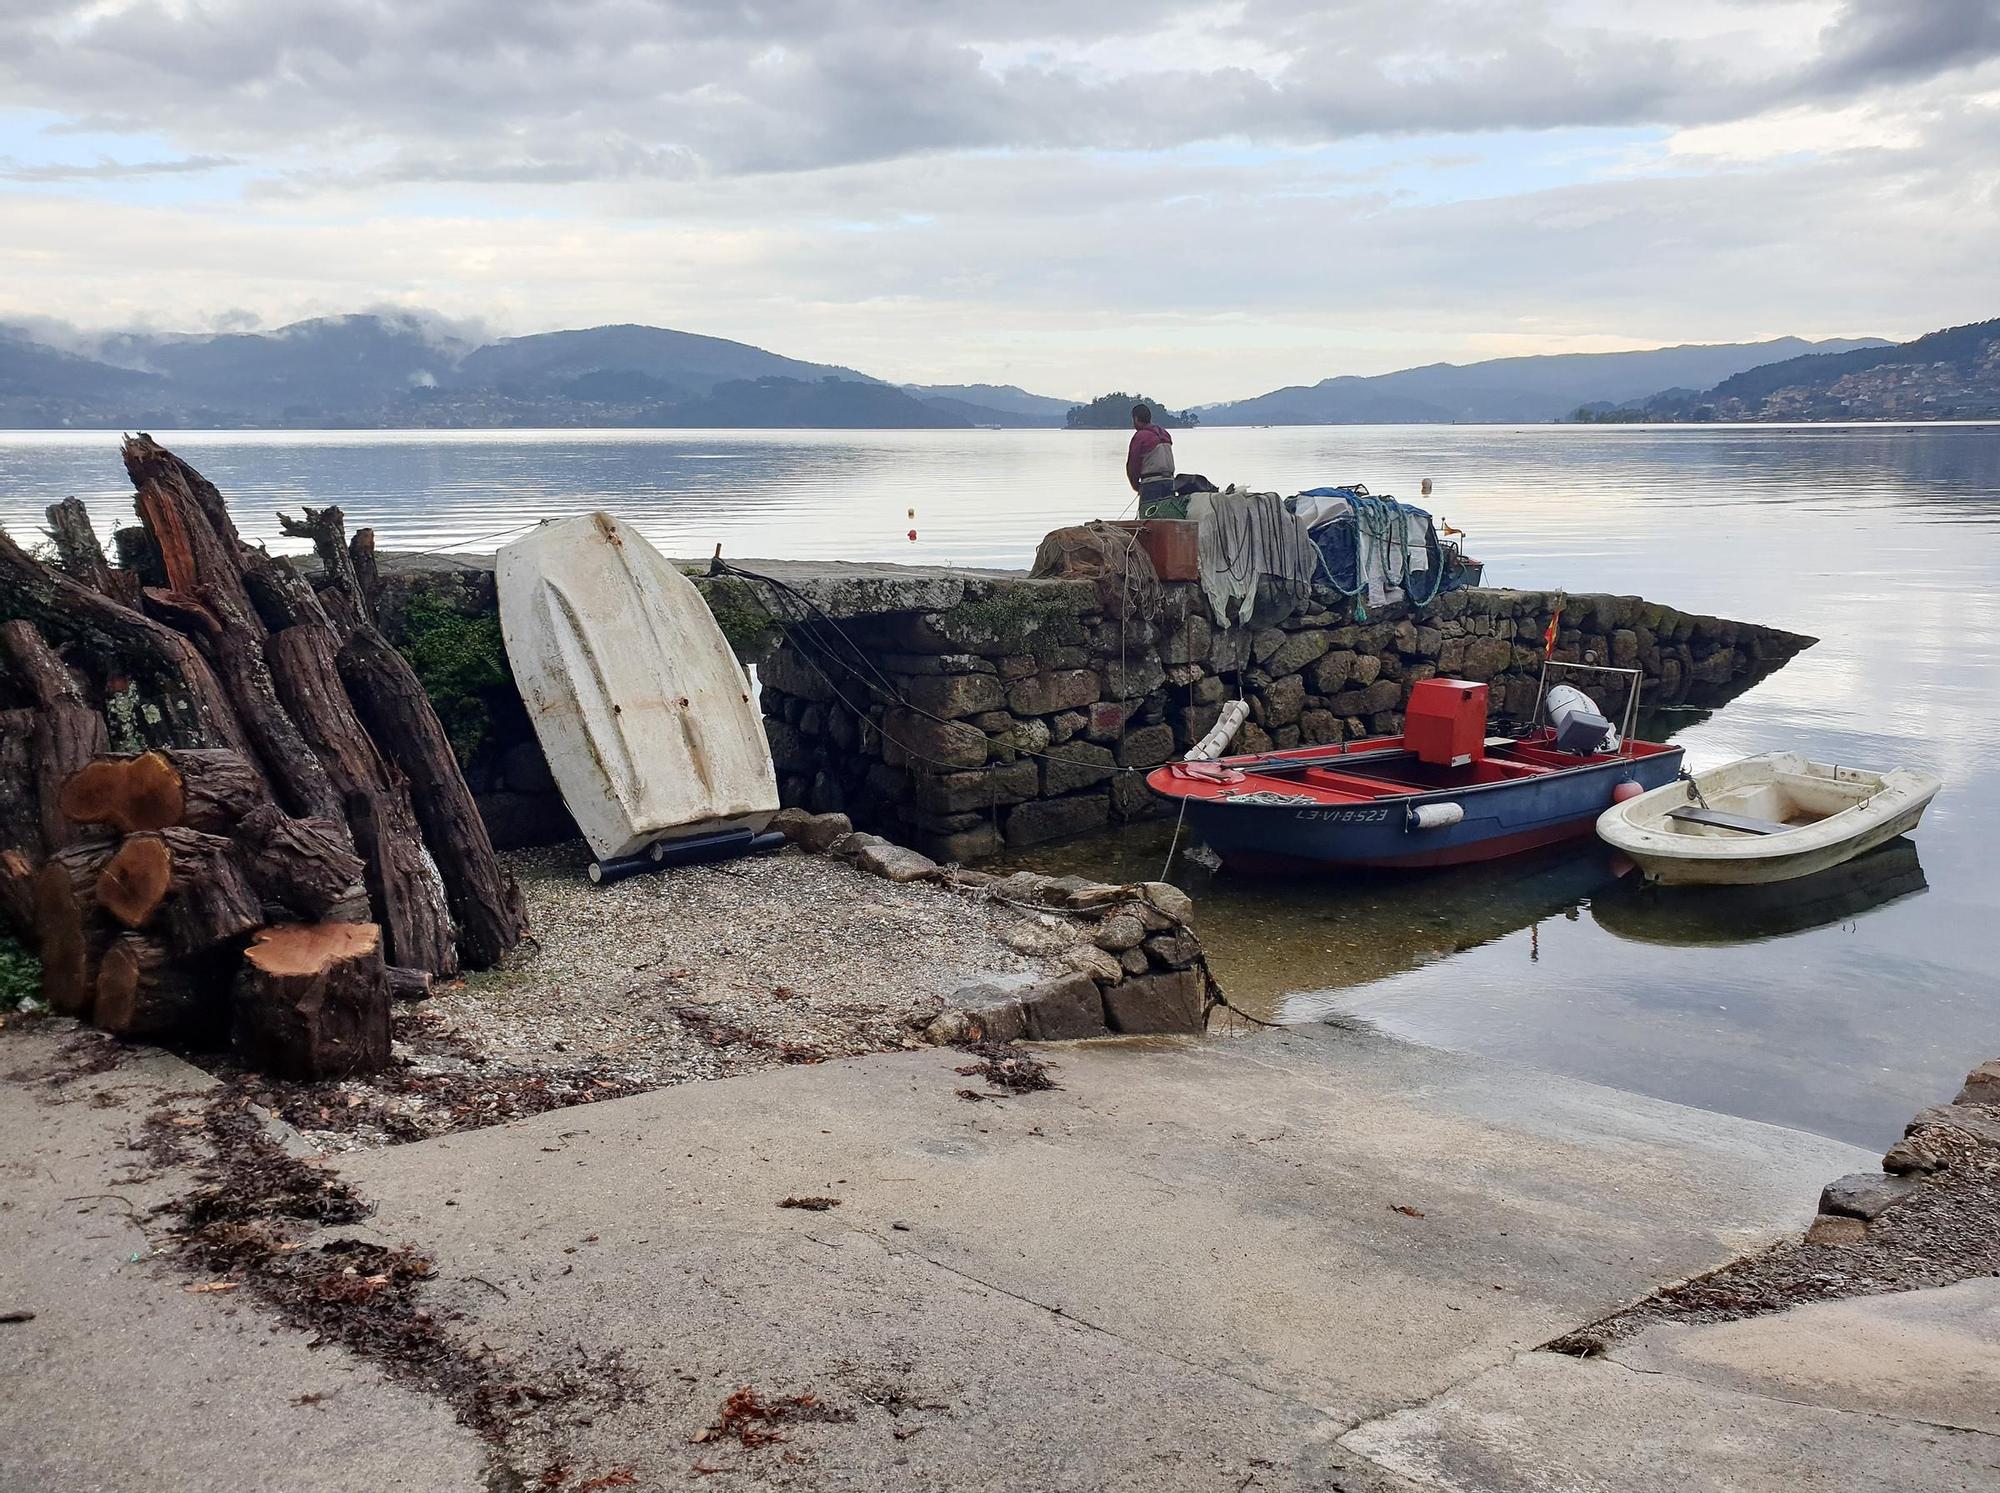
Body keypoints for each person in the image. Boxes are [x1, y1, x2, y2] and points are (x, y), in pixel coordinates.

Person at [1126, 404, 1176, 515]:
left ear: (1136, 419)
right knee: (1167, 516)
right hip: (1170, 482)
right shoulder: (1165, 434)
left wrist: (1136, 486)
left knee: (1148, 521)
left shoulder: (1140, 436)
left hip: (1151, 485)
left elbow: (1132, 466)